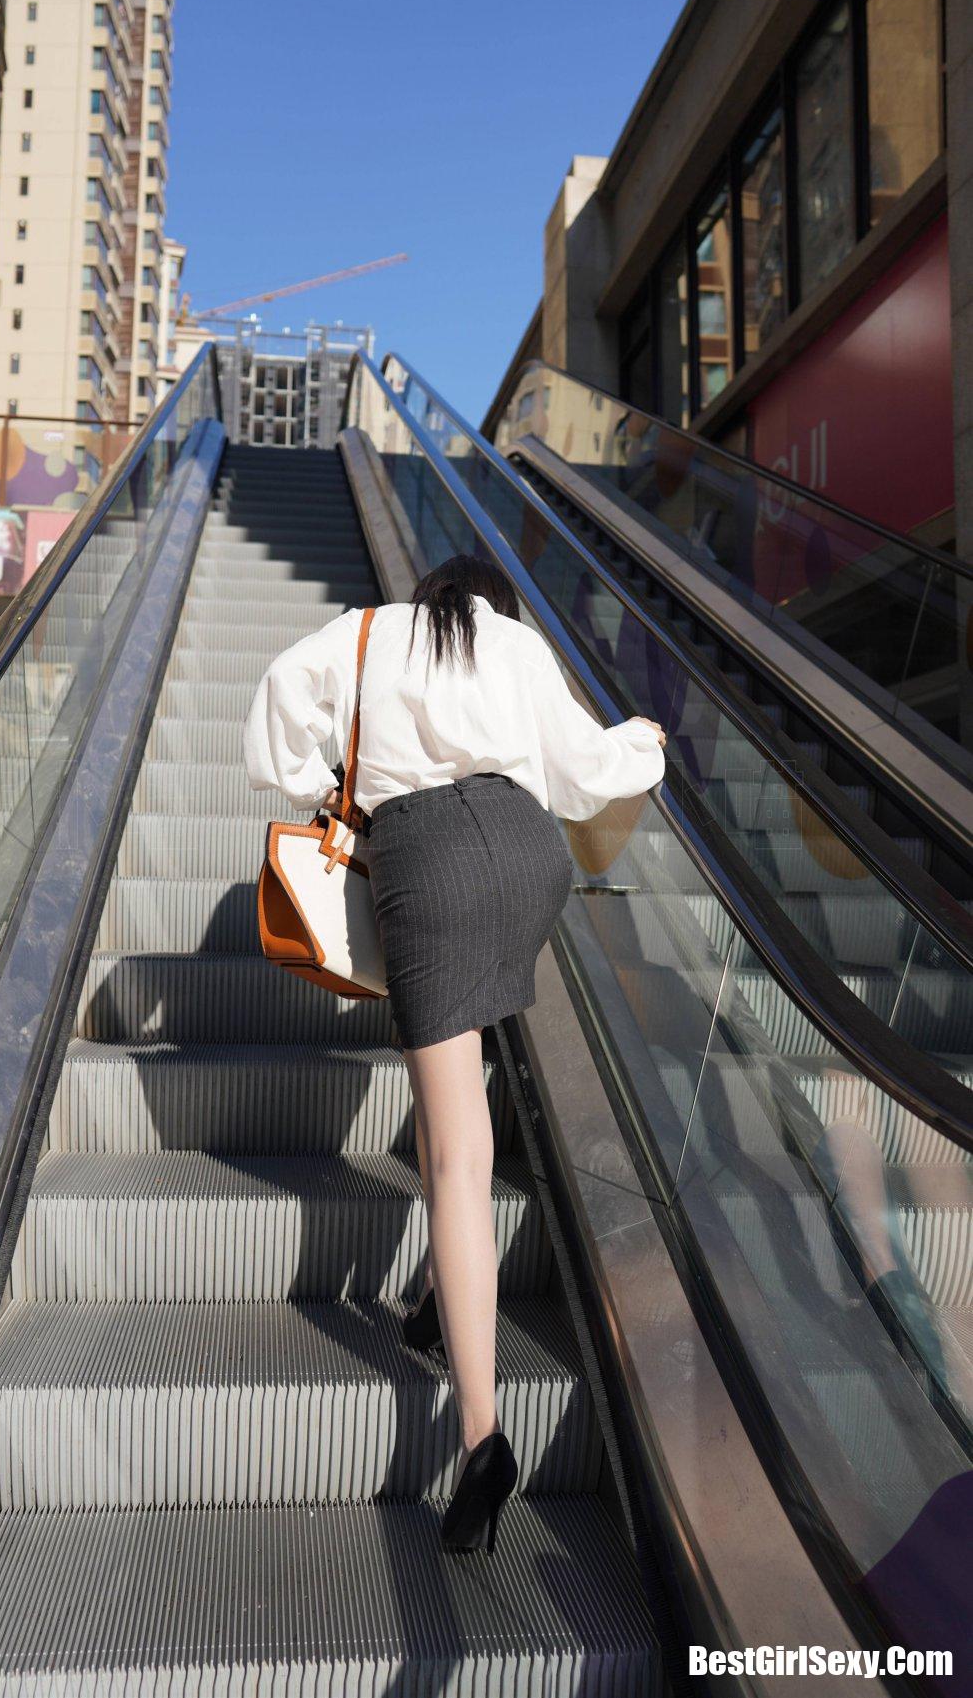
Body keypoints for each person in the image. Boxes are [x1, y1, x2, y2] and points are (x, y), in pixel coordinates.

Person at [242, 553, 666, 1556]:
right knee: (463, 1066)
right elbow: (584, 771)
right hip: (528, 856)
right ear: (495, 603)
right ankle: (440, 1295)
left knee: (457, 1156)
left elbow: (278, 705)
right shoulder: (518, 643)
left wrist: (321, 786)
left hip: (425, 858)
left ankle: (482, 1435)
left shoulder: (368, 631)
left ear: (429, 590)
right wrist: (641, 742)